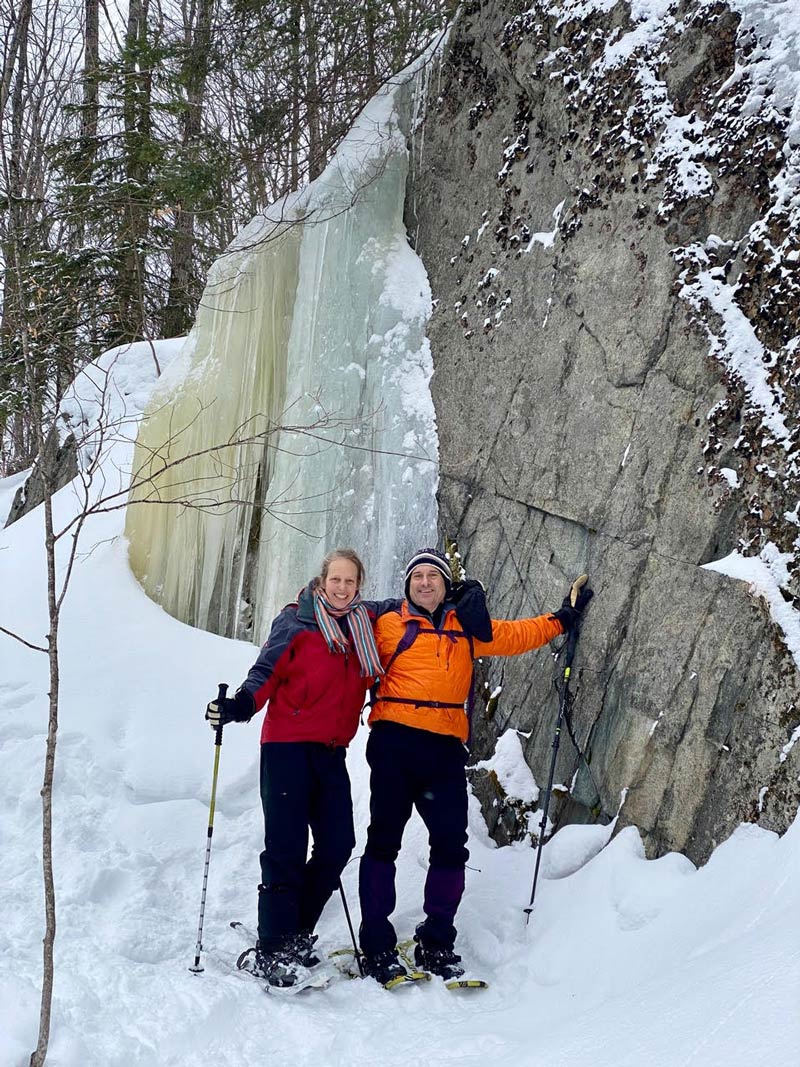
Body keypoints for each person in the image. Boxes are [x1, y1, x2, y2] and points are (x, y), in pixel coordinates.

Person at [358, 548, 592, 984]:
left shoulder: (467, 627)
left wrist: (563, 618)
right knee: (383, 841)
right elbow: (341, 627)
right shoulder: (385, 623)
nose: (425, 582)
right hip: (393, 744)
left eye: (434, 576)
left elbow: (516, 635)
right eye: (418, 577)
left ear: (447, 585)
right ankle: (375, 943)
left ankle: (437, 940)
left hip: (444, 749)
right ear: (407, 584)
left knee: (450, 846)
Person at [205, 547, 389, 989]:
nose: (342, 588)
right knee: (285, 848)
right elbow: (263, 673)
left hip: (330, 753)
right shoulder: (296, 623)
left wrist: (453, 593)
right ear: (322, 581)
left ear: (359, 586)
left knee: (339, 844)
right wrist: (239, 705)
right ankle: (272, 947)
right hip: (286, 749)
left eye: (350, 581)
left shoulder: (364, 623)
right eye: (335, 580)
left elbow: (408, 603)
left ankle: (296, 931)